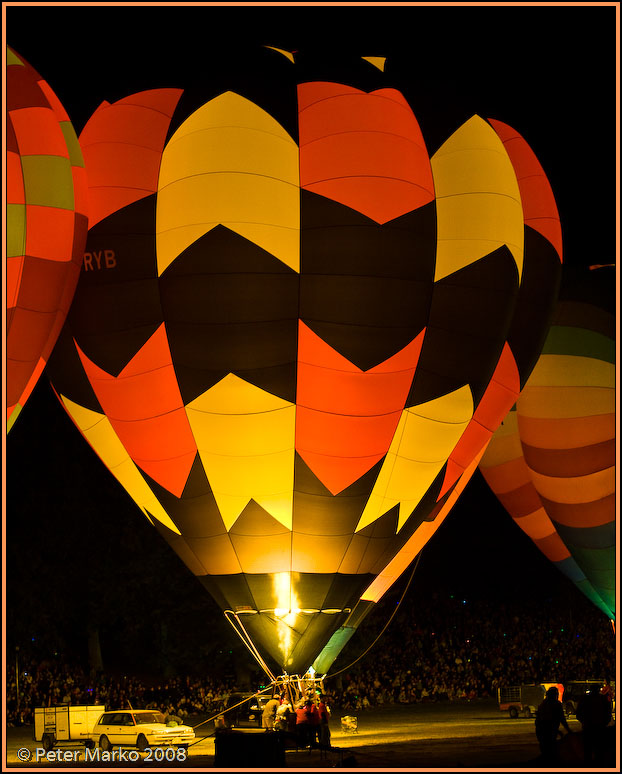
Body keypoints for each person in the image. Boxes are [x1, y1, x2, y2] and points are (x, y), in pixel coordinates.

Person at [535, 686, 572, 763]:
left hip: (543, 731)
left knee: (546, 751)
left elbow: (540, 720)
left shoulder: (543, 703)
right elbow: (561, 718)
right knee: (550, 752)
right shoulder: (556, 704)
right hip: (548, 731)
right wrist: (568, 729)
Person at [576, 686, 612, 764]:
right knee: (599, 749)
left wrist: (584, 722)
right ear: (599, 690)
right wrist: (605, 722)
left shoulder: (584, 699)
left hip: (588, 727)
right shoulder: (603, 699)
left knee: (587, 749)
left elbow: (578, 713)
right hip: (600, 727)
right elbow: (608, 712)